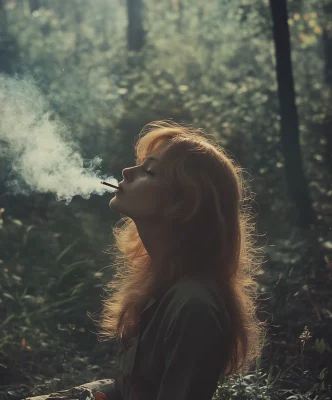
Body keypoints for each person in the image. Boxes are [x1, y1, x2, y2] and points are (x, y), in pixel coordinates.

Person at [28, 120, 268, 400]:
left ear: (182, 204)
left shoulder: (194, 307)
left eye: (149, 171)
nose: (127, 172)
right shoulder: (163, 282)